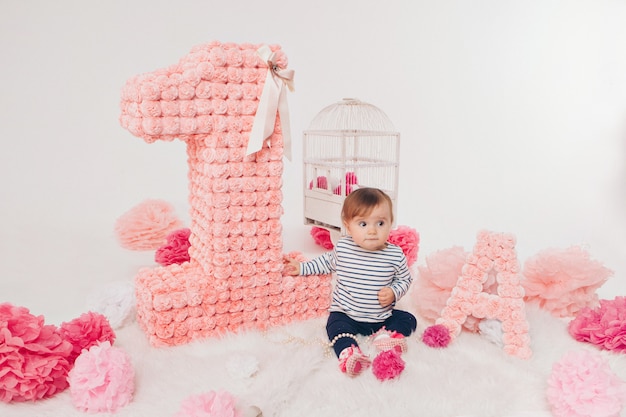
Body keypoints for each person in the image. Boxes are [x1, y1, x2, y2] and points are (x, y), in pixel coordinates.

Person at [284, 187, 417, 377]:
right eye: (363, 224)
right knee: (335, 326)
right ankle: (349, 352)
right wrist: (302, 267)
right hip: (346, 313)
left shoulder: (394, 255)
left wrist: (394, 291)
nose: (372, 231)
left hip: (380, 317)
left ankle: (385, 338)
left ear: (390, 223)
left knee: (408, 319)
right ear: (348, 225)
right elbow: (325, 263)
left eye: (380, 223)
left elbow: (405, 278)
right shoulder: (344, 248)